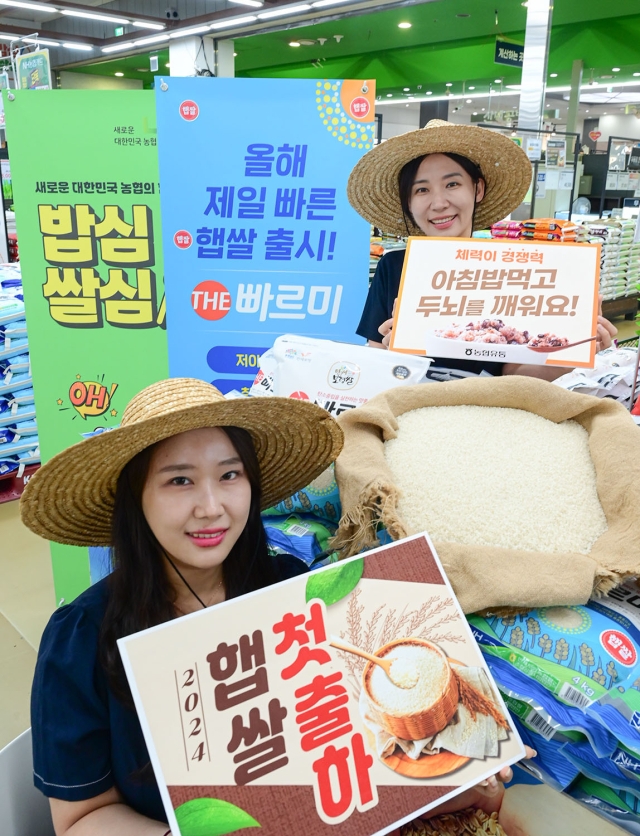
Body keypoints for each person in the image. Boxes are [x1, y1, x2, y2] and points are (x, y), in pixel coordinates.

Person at [21, 377, 343, 835]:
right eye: (180, 480)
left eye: (230, 475)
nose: (211, 507)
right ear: (136, 499)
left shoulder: (291, 592)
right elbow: (80, 818)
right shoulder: (83, 639)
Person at [347, 119, 618, 381]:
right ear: (408, 202)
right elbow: (378, 363)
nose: (439, 203)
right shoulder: (394, 267)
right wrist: (393, 353)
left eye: (452, 184)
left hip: (487, 410)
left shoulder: (512, 268)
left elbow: (514, 374)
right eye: (421, 190)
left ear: (477, 189)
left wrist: (571, 353)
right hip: (409, 408)